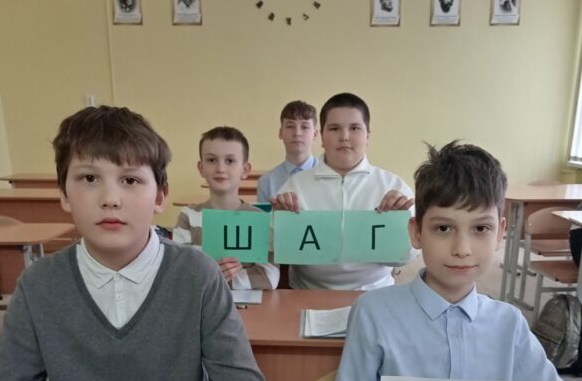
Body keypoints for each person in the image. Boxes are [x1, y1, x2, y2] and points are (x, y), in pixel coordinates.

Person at [0, 106, 278, 381]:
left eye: (131, 180)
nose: (110, 198)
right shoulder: (40, 286)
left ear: (160, 196)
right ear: (64, 194)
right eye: (89, 179)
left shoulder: (197, 276)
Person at [323, 140, 561, 381]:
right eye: (443, 228)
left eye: (481, 228)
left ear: (500, 233)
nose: (462, 248)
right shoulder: (373, 313)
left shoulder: (510, 325)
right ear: (416, 232)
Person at [274, 92, 415, 290]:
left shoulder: (394, 188)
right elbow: (275, 252)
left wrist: (397, 228)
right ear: (321, 136)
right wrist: (282, 225)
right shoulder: (294, 187)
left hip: (374, 292)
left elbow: (407, 257)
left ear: (368, 135)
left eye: (354, 128)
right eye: (334, 128)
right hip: (307, 293)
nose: (344, 137)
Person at [172, 126, 279, 289]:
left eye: (230, 161)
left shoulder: (259, 219)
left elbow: (269, 277)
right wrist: (217, 275)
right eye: (211, 160)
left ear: (245, 170)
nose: (220, 169)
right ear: (201, 168)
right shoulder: (188, 216)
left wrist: (211, 277)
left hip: (249, 304)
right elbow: (180, 272)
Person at [256, 100, 318, 203]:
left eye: (304, 127)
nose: (297, 133)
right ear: (281, 133)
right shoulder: (266, 182)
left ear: (315, 134)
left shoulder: (329, 174)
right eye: (290, 126)